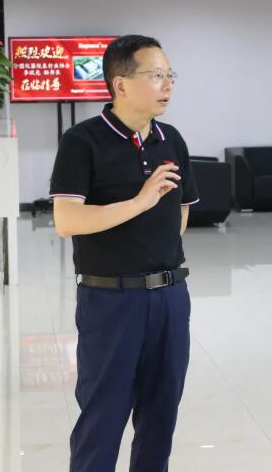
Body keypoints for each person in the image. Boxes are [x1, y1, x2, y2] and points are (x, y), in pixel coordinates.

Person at [49, 34, 199, 472]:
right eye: (156, 75)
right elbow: (67, 220)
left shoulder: (171, 139)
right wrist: (139, 203)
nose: (167, 84)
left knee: (160, 418)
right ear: (120, 84)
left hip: (170, 297)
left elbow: (181, 213)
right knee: (103, 418)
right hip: (111, 301)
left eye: (169, 75)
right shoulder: (82, 141)